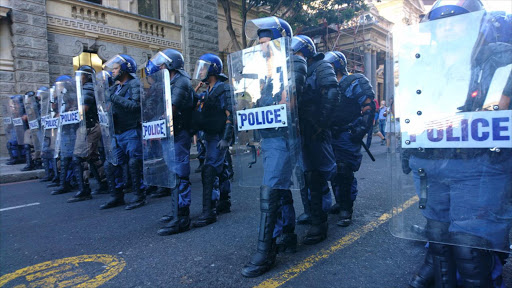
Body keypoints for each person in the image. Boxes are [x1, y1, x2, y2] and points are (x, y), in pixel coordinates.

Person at [396, 0, 512, 286]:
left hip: (479, 166)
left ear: (476, 23)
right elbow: (413, 113)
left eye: (457, 20)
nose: (447, 27)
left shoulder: (499, 59)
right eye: (441, 22)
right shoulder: (423, 64)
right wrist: (407, 148)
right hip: (433, 165)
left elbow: (497, 110)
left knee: (470, 248)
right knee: (437, 239)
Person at [239, 16, 302, 278]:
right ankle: (287, 233)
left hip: (284, 136)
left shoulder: (291, 66)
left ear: (278, 43)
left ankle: (267, 250)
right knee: (279, 186)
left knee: (271, 190)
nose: (261, 47)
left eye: (266, 42)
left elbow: (289, 106)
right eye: (260, 43)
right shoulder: (268, 70)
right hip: (270, 136)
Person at [293, 35, 338, 245]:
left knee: (320, 173)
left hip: (316, 130)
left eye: (297, 53)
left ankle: (322, 220)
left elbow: (331, 94)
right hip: (300, 130)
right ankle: (313, 213)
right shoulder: (294, 69)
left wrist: (321, 124)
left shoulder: (321, 67)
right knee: (306, 175)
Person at [144, 49, 194, 235]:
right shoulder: (168, 82)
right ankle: (176, 211)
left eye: (162, 64)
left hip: (178, 134)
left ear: (171, 65)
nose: (159, 67)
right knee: (173, 174)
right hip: (169, 134)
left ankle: (182, 217)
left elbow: (170, 109)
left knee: (180, 175)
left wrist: (157, 125)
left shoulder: (181, 81)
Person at [324, 51, 376, 227]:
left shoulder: (353, 81)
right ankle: (339, 201)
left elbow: (368, 105)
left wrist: (362, 128)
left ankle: (347, 207)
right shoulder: (326, 84)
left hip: (347, 133)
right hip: (330, 134)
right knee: (332, 171)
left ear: (337, 65)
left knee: (344, 170)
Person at [191, 53, 233, 228]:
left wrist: (226, 138)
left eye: (204, 68)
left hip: (218, 136)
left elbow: (230, 114)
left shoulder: (224, 88)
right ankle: (224, 201)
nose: (201, 72)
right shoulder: (207, 90)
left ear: (213, 70)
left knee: (209, 170)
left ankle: (209, 212)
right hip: (209, 135)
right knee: (220, 168)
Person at [100, 54, 145, 210]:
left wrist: (113, 98)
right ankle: (116, 196)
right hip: (117, 132)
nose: (113, 71)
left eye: (116, 68)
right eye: (112, 68)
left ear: (125, 69)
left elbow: (135, 105)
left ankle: (139, 196)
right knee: (111, 164)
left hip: (131, 130)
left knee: (134, 163)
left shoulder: (134, 84)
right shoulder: (114, 88)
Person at [67, 65, 107, 203]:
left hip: (89, 127)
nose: (78, 78)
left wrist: (71, 111)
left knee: (79, 158)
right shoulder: (85, 88)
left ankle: (84, 190)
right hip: (89, 125)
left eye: (81, 76)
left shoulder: (88, 88)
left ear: (88, 76)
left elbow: (84, 108)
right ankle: (104, 183)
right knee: (92, 157)